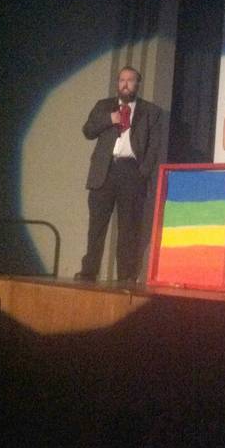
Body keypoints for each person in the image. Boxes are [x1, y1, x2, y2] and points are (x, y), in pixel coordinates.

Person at [74, 66, 162, 285]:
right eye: (122, 80)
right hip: (104, 171)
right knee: (96, 226)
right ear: (117, 83)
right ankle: (89, 271)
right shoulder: (103, 106)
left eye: (130, 80)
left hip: (132, 172)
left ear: (137, 84)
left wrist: (142, 173)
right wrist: (109, 119)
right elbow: (87, 131)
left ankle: (125, 275)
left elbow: (154, 148)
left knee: (128, 228)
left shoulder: (150, 111)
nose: (125, 84)